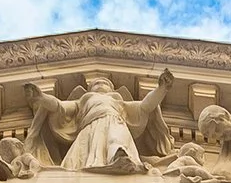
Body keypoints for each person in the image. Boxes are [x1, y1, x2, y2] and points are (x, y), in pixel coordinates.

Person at [23, 70, 173, 173]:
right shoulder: (83, 101)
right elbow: (59, 107)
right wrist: (41, 97)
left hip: (115, 122)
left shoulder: (118, 102)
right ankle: (103, 162)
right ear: (89, 90)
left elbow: (145, 107)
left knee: (117, 137)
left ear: (112, 89)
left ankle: (120, 156)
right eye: (96, 83)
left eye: (105, 83)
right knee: (81, 156)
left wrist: (162, 89)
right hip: (90, 128)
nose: (100, 84)